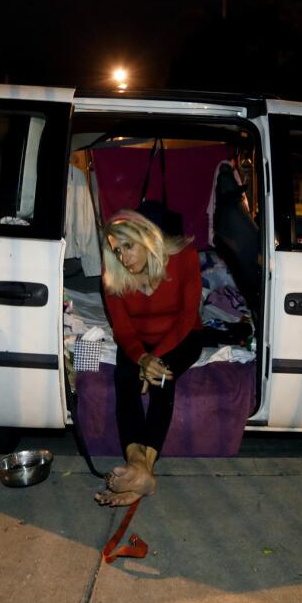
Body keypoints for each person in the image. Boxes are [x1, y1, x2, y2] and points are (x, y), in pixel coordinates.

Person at [94, 210, 202, 507]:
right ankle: (138, 467)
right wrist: (141, 358)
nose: (123, 258)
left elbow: (187, 316)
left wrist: (153, 360)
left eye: (128, 246)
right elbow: (122, 328)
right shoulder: (112, 272)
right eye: (117, 251)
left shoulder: (184, 257)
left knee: (162, 377)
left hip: (181, 335)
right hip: (137, 341)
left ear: (145, 237)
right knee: (124, 378)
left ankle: (141, 472)